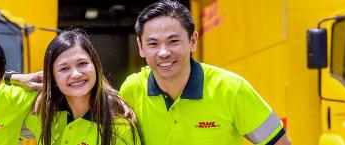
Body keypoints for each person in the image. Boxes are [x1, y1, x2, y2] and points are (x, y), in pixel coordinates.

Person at [118, 1, 292, 144]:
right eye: (153, 44)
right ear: (141, 47)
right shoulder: (132, 90)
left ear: (192, 40)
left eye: (173, 41)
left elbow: (280, 142)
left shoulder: (231, 89)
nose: (164, 52)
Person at [25, 29, 142, 145]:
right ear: (52, 77)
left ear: (95, 66)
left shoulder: (119, 127)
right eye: (64, 68)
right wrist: (13, 77)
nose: (76, 74)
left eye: (82, 64)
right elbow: (6, 96)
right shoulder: (42, 114)